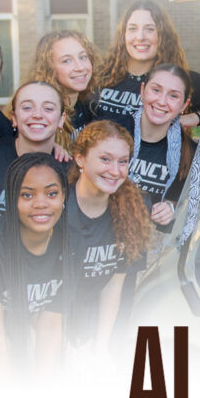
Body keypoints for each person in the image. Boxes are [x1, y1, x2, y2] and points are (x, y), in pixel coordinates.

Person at [0, 153, 69, 381]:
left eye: (52, 193)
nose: (41, 203)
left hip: (16, 332)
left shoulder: (71, 242)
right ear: (10, 199)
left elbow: (50, 326)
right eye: (27, 195)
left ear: (64, 196)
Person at [94, 0, 200, 131]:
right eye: (132, 28)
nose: (140, 36)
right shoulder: (101, 77)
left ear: (162, 36)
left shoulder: (179, 81)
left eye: (150, 29)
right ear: (123, 35)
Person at [66, 120, 150, 361]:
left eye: (122, 161)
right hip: (50, 320)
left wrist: (100, 348)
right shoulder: (57, 206)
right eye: (105, 159)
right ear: (80, 159)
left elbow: (113, 287)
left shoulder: (133, 210)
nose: (115, 171)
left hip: (91, 320)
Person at [0, 81, 69, 225]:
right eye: (27, 107)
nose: (37, 115)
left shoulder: (71, 170)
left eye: (48, 108)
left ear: (61, 119)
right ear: (14, 118)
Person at [127, 64, 198, 229]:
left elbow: (180, 202)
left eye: (173, 96)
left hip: (150, 240)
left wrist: (170, 208)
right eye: (156, 90)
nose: (162, 101)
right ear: (142, 91)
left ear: (184, 105)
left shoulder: (187, 153)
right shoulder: (115, 133)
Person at [27, 30, 100, 138]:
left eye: (83, 57)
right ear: (49, 68)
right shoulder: (40, 114)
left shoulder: (89, 107)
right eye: (66, 61)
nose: (80, 67)